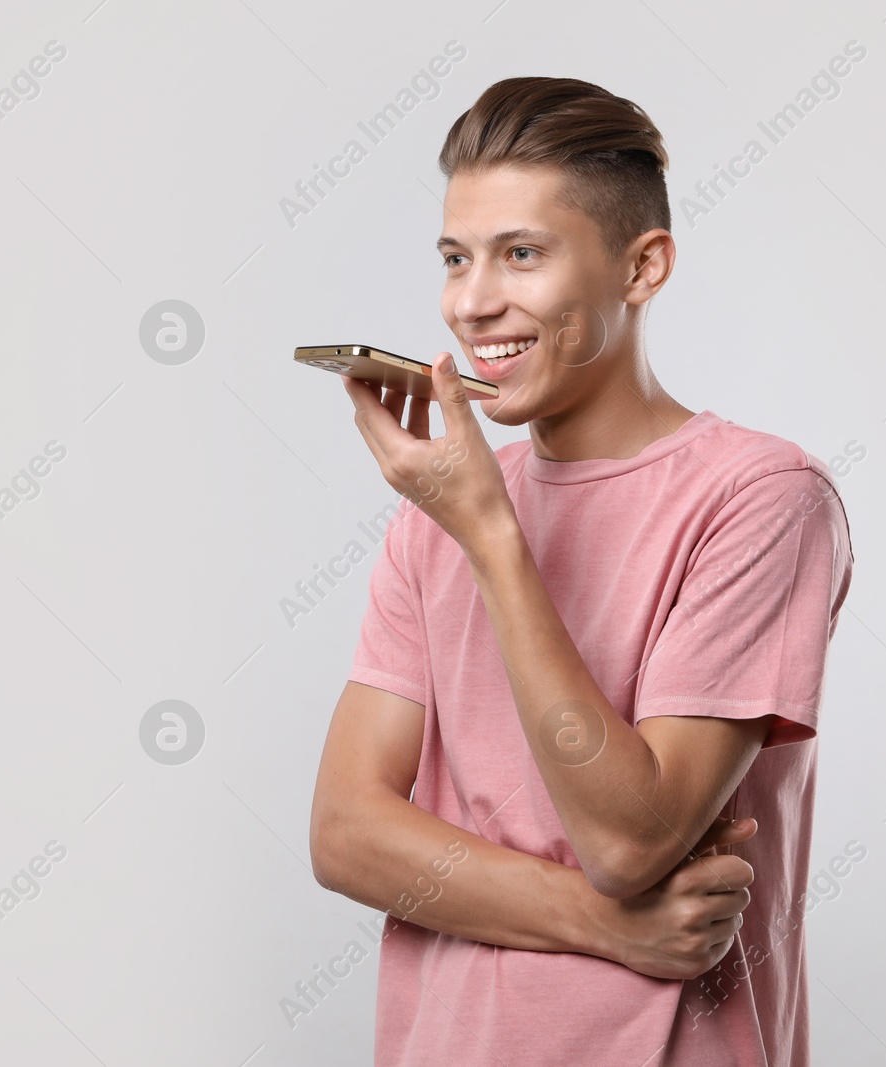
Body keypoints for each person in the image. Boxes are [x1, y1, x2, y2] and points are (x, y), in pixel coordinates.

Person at [308, 76, 855, 1066]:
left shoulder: (763, 498)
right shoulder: (441, 510)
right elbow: (346, 830)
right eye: (454, 258)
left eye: (522, 253)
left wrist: (493, 536)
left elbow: (629, 838)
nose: (474, 302)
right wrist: (599, 921)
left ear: (641, 267)